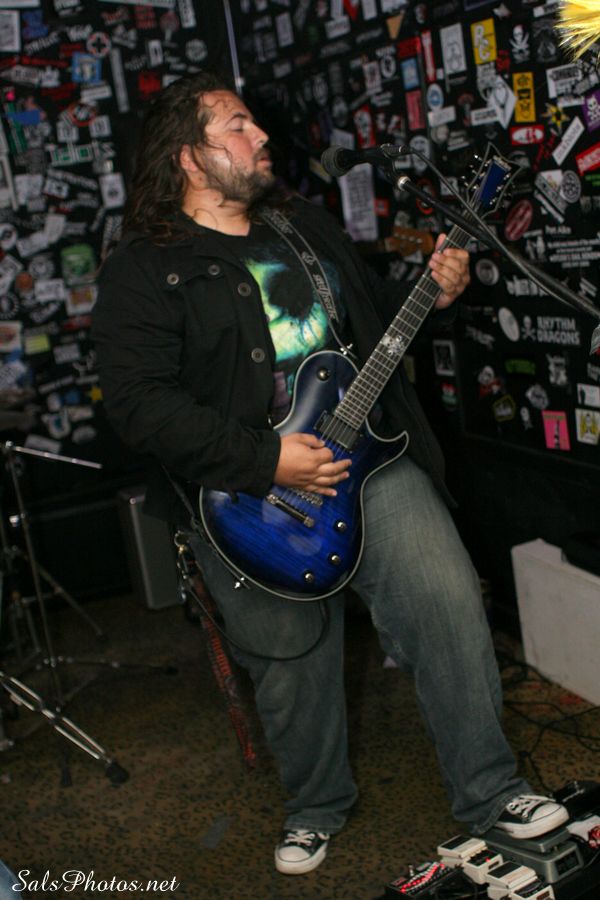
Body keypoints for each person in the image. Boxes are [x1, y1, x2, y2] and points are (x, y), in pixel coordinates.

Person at [92, 72, 568, 876]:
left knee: (448, 603)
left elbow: (369, 318)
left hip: (368, 460)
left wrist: (432, 292)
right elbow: (138, 407)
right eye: (236, 126)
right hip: (245, 495)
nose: (260, 137)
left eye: (254, 123)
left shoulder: (303, 225)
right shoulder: (143, 268)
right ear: (189, 159)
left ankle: (492, 793)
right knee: (290, 660)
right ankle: (315, 806)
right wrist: (265, 458)